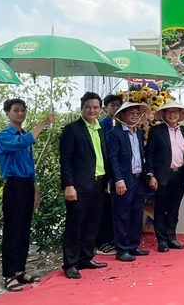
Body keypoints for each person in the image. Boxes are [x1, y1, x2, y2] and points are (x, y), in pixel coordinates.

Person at [0, 99, 54, 292]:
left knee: (24, 229)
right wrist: (44, 123)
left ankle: (20, 270)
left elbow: (31, 167)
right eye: (16, 110)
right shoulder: (5, 135)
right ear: (7, 113)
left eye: (23, 110)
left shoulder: (23, 133)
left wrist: (36, 190)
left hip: (27, 185)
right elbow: (24, 142)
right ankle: (9, 274)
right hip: (14, 185)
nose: (20, 114)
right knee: (12, 230)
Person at [59, 92, 109, 279]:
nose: (92, 110)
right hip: (78, 186)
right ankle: (70, 263)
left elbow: (103, 156)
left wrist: (108, 180)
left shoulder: (100, 128)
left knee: (92, 223)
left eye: (96, 107)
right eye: (88, 107)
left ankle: (86, 257)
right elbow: (65, 160)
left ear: (100, 109)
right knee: (75, 225)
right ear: (82, 108)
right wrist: (68, 185)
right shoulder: (72, 129)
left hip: (98, 182)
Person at [106, 101, 152, 262]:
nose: (134, 115)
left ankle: (133, 245)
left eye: (137, 113)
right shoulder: (115, 133)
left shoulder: (138, 133)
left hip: (139, 178)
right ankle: (122, 249)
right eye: (130, 112)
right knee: (121, 214)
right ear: (122, 115)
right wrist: (118, 179)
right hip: (124, 180)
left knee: (136, 213)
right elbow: (112, 158)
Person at [145, 100, 184, 252]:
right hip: (162, 176)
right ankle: (162, 240)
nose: (173, 115)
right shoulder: (156, 131)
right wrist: (151, 175)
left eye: (175, 112)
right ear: (164, 114)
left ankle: (171, 237)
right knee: (160, 209)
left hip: (180, 175)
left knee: (174, 209)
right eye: (169, 112)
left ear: (180, 115)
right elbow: (149, 155)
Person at [95, 94, 122, 256]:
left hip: (117, 172)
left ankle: (113, 239)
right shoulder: (103, 125)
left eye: (118, 105)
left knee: (114, 208)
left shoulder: (120, 125)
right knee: (104, 209)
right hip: (105, 172)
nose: (116, 108)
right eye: (112, 105)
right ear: (105, 108)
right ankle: (102, 241)